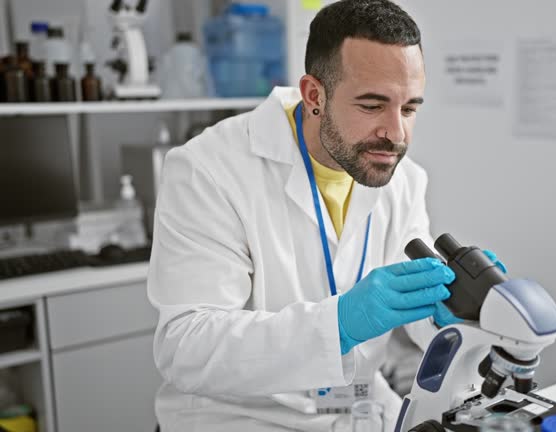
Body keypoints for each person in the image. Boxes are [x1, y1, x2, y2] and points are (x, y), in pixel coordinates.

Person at [148, 1, 502, 430]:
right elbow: (186, 349)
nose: (396, 134)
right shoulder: (208, 170)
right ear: (314, 95)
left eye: (409, 108)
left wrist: (453, 311)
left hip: (356, 410)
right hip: (241, 418)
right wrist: (338, 323)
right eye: (372, 106)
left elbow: (414, 317)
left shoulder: (404, 179)